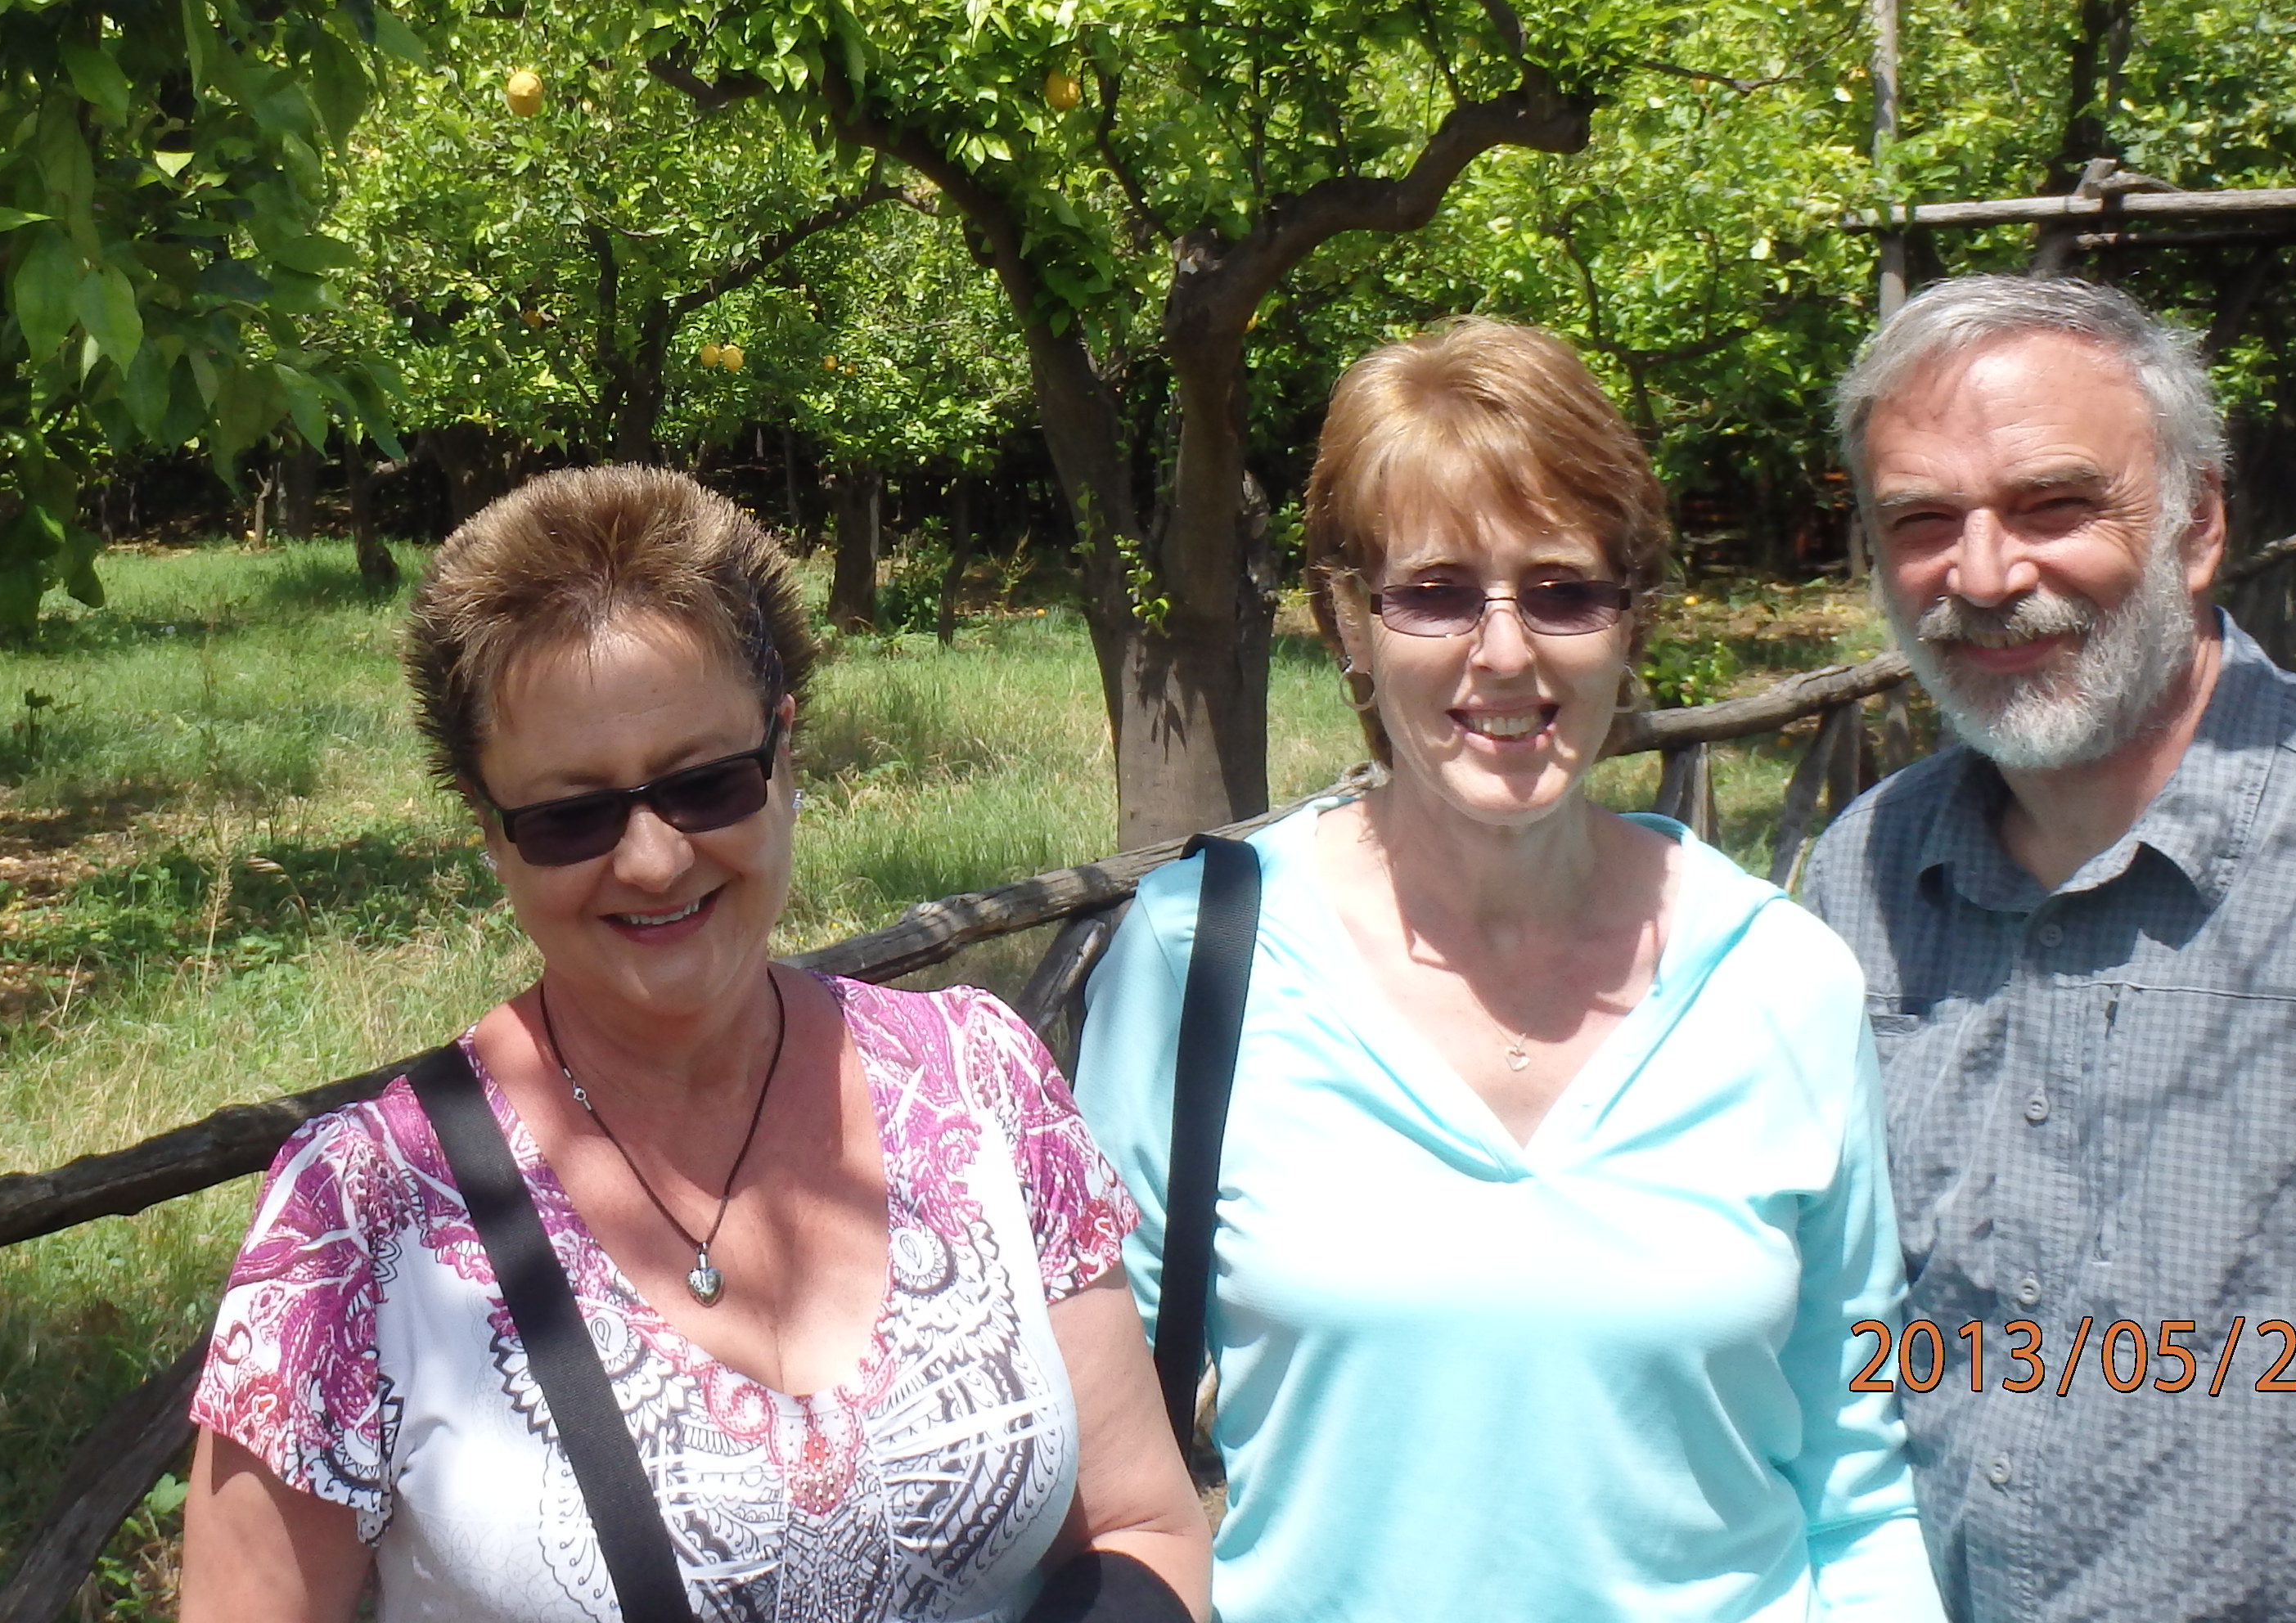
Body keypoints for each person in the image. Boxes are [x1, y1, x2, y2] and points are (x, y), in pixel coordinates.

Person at [179, 465, 1211, 1623]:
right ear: (487, 827)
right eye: (571, 815)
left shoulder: (983, 1080)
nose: (654, 860)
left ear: (784, 753)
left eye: (707, 784)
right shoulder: (361, 1217)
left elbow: (1137, 1523)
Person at [1077, 318, 1944, 1622]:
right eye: (1434, 593)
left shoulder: (1783, 980)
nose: (1503, 652)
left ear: (1633, 619)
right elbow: (1107, 1471)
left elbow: (1859, 1482)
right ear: (1346, 621)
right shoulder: (1195, 962)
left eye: (1561, 591)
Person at [1803, 275, 2296, 1623]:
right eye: (1922, 521)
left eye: (2053, 505)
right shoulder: (1862, 876)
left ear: (2197, 522)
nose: (1984, 575)